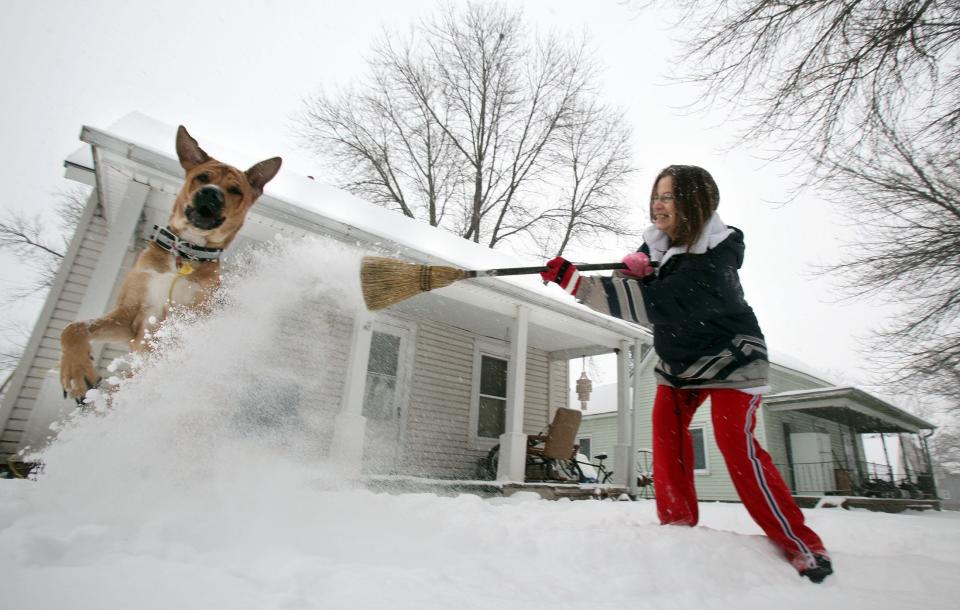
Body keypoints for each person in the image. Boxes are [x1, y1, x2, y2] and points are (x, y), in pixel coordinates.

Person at [540, 165, 833, 583]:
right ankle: (678, 530)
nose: (657, 204)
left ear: (693, 204)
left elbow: (656, 305)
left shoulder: (713, 264)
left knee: (736, 447)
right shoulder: (659, 244)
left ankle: (803, 546)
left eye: (668, 197)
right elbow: (650, 282)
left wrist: (580, 285)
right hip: (678, 362)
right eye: (655, 196)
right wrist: (636, 269)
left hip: (731, 360)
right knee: (666, 439)